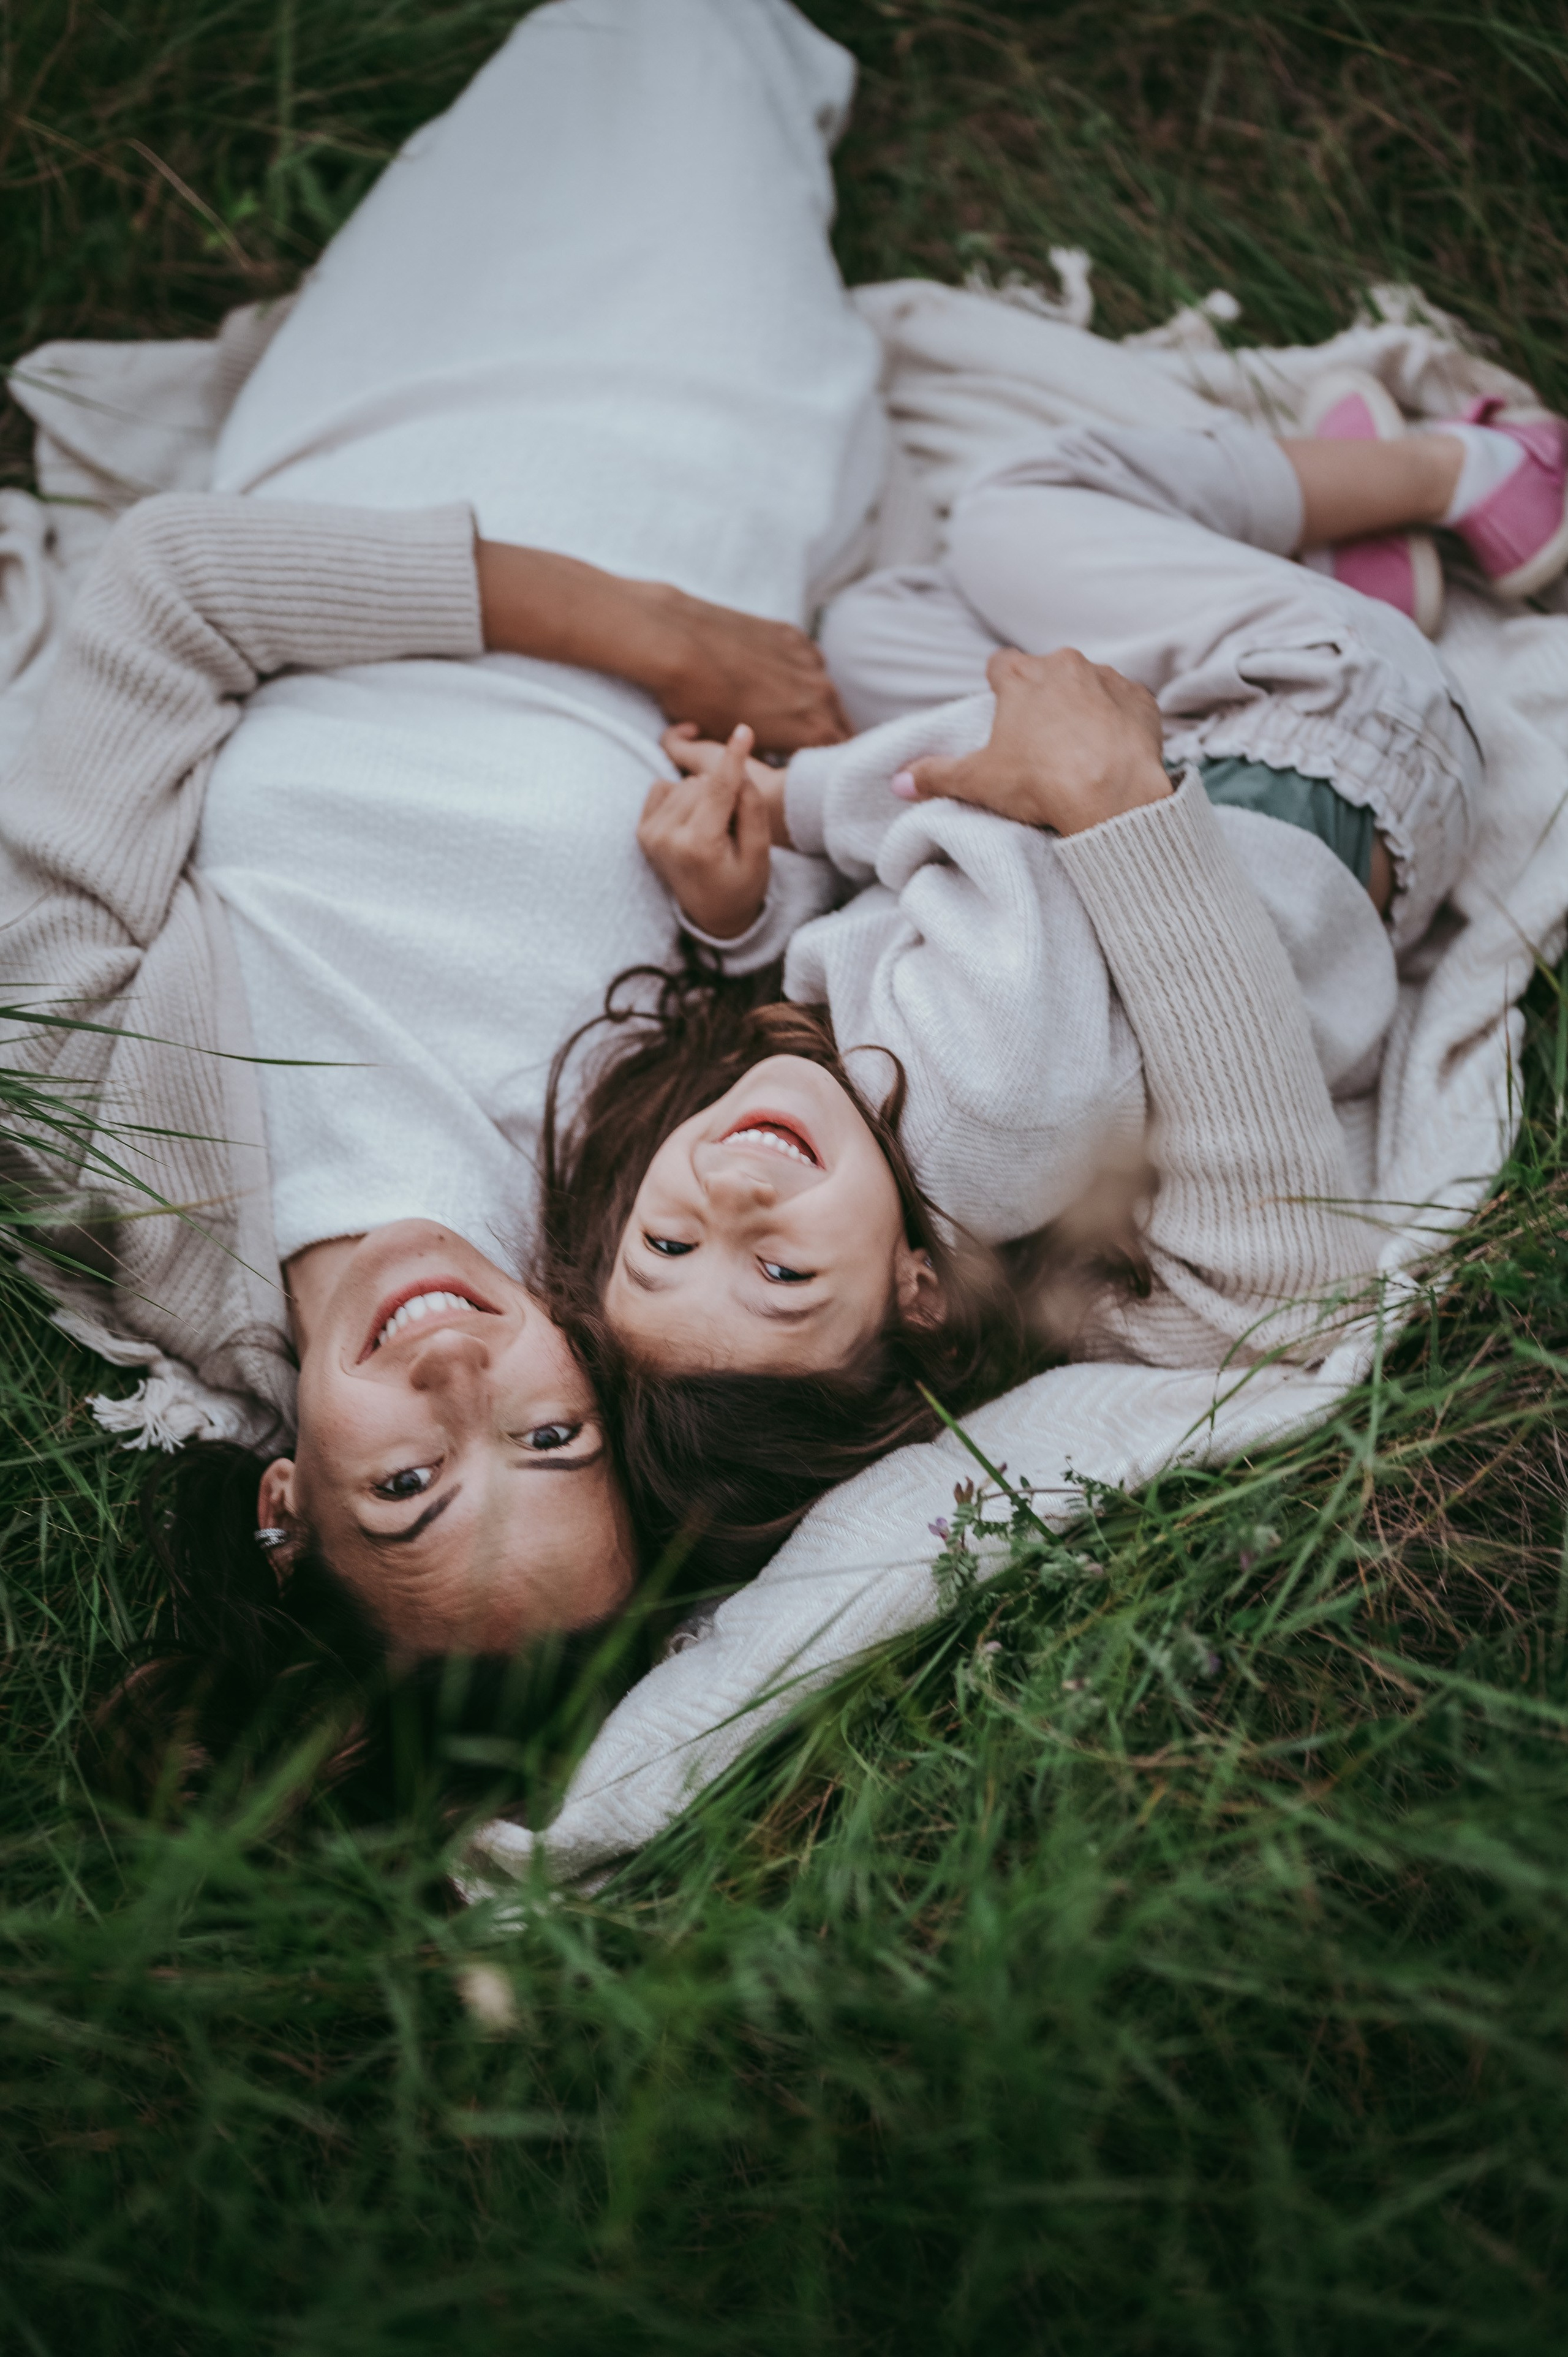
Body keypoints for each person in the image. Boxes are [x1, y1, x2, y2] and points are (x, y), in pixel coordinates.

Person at [0, 0, 887, 1779]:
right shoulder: (622, 1236)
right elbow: (777, 995)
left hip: (396, 489)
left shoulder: (101, 1149)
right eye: (550, 1445)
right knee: (714, 87)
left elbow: (176, 591)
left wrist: (644, 634)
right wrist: (729, 898)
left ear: (284, 1506)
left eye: (406, 1487)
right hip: (706, 527)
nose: (468, 1384)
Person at [551, 390, 1568, 1571]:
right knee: (1011, 512)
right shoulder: (984, 1105)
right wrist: (796, 801)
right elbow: (1003, 812)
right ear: (914, 1291)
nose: (732, 1204)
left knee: (874, 629)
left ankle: (1341, 569)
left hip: (1265, 807)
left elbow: (884, 912)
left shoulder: (905, 1126)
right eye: (780, 1274)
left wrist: (738, 921)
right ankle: (1478, 475)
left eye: (665, 1247)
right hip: (1325, 732)